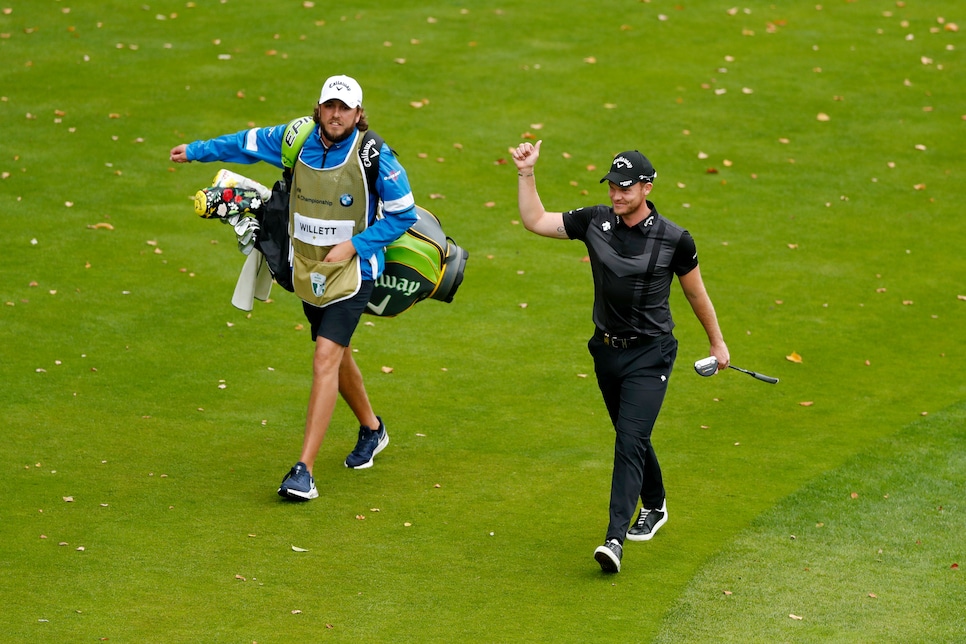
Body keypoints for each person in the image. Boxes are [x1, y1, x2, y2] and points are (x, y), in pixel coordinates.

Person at [170, 75, 418, 501]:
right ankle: (373, 430)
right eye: (329, 106)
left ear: (359, 115)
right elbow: (246, 142)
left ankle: (303, 470)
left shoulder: (376, 155)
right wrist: (196, 151)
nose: (336, 114)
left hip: (355, 274)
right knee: (336, 355)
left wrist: (354, 246)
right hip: (307, 271)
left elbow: (403, 214)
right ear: (319, 108)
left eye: (345, 108)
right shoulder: (297, 138)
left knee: (324, 356)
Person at [511, 140, 729, 573]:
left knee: (628, 441)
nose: (616, 195)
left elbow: (694, 292)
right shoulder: (595, 221)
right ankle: (656, 503)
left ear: (646, 188)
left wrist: (717, 343)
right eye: (612, 186)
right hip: (606, 352)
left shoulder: (675, 240)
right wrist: (526, 173)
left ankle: (614, 538)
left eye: (625, 188)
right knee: (633, 435)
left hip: (651, 355)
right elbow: (535, 220)